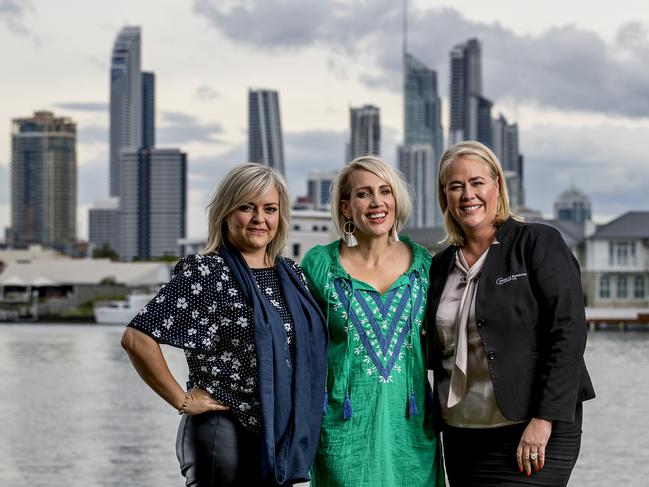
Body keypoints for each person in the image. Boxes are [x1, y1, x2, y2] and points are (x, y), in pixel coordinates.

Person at [121, 163, 328, 487]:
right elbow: (136, 338)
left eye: (270, 209)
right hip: (223, 429)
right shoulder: (205, 272)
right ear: (226, 212)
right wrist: (182, 399)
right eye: (247, 207)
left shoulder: (291, 274)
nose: (260, 218)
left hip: (276, 431)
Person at [426, 140, 595, 486]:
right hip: (462, 435)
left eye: (477, 183)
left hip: (532, 432)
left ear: (497, 186)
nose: (467, 195)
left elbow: (568, 332)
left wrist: (543, 419)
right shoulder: (440, 266)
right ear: (445, 196)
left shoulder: (537, 243)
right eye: (455, 186)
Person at [301, 156, 446, 487]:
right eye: (364, 194)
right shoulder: (320, 265)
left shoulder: (426, 267)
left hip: (410, 431)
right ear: (346, 207)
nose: (377, 202)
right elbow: (295, 343)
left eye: (385, 191)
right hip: (343, 432)